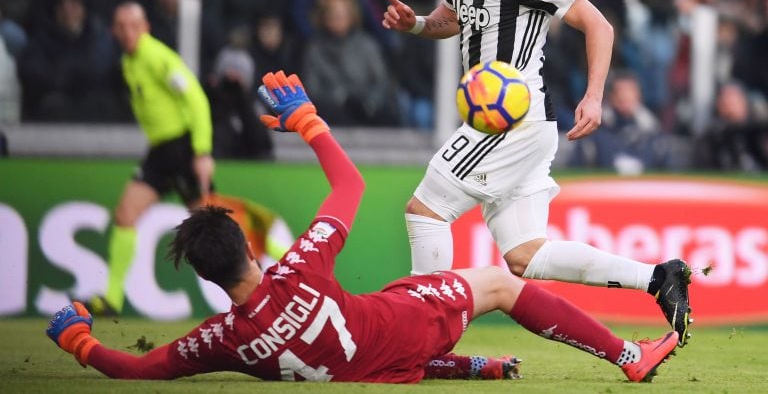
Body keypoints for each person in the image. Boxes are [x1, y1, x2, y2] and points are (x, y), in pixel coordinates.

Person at [47, 71, 679, 383]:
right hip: (399, 328)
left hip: (373, 366)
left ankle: (469, 366)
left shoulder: (222, 340)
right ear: (247, 243)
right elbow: (350, 184)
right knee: (500, 283)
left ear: (208, 278)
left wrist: (78, 341)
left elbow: (137, 369)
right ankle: (628, 355)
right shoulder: (296, 270)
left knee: (389, 319)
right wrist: (307, 122)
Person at [382, 0, 693, 347]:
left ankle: (426, 335)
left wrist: (594, 96)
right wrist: (418, 25)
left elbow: (600, 25)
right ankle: (658, 277)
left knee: (426, 210)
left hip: (511, 122)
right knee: (525, 255)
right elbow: (454, 17)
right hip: (512, 126)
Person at [85, 2, 215, 315]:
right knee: (125, 215)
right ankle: (112, 299)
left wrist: (202, 151)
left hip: (182, 148)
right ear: (115, 31)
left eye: (133, 25)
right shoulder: (129, 61)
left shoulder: (157, 57)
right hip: (160, 153)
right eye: (121, 26)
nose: (128, 32)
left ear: (145, 27)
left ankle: (277, 267)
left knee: (215, 229)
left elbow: (195, 98)